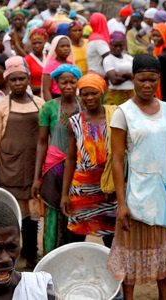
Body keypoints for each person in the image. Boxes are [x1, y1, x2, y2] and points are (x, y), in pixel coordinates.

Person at [109, 54, 166, 300]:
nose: (147, 85)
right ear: (133, 80)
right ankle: (129, 296)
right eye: (141, 80)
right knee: (131, 247)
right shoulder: (123, 113)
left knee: (162, 245)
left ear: (159, 79)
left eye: (152, 80)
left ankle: (163, 295)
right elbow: (116, 160)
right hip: (136, 192)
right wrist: (122, 203)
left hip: (165, 191)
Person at [0, 56, 45, 268]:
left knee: (32, 218)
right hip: (9, 168)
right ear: (7, 81)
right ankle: (9, 255)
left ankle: (31, 254)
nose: (18, 83)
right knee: (11, 217)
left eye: (22, 78)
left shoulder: (40, 104)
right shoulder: (1, 106)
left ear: (28, 79)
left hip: (34, 167)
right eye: (13, 80)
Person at [60, 74, 117, 247]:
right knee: (76, 237)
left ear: (102, 93)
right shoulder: (74, 122)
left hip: (109, 187)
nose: (89, 98)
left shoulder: (115, 116)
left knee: (112, 238)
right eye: (85, 94)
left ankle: (115, 274)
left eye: (94, 93)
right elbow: (70, 159)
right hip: (82, 190)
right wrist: (65, 194)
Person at [32, 64, 83, 254]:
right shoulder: (48, 108)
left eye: (72, 81)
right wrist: (37, 178)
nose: (69, 85)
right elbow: (42, 142)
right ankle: (48, 262)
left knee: (74, 216)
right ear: (56, 84)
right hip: (54, 168)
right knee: (52, 217)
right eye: (64, 82)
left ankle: (67, 259)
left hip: (79, 168)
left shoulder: (84, 106)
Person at [104, 31, 135, 106]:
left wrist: (124, 74)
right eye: (115, 46)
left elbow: (136, 76)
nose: (118, 48)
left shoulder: (129, 58)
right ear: (110, 44)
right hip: (116, 94)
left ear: (124, 45)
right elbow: (114, 80)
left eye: (120, 46)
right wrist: (130, 76)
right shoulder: (108, 59)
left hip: (131, 93)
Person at [42, 35, 74, 102]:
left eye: (68, 46)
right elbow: (46, 90)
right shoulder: (50, 65)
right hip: (55, 98)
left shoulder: (71, 64)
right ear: (55, 49)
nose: (66, 48)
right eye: (62, 46)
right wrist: (51, 106)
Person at [24, 28, 48, 96]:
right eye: (34, 43)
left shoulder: (48, 57)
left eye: (40, 43)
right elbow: (27, 86)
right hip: (34, 96)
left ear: (44, 43)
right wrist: (44, 88)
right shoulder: (27, 60)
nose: (37, 46)